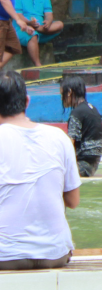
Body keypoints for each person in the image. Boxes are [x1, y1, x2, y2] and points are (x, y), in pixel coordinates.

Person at [0, 70, 80, 270]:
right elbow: (73, 201)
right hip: (55, 254)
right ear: (27, 101)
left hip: (4, 255)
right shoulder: (59, 137)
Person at [15, 0, 63, 67]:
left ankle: (38, 29)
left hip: (41, 29)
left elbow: (49, 14)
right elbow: (18, 15)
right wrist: (29, 23)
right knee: (32, 34)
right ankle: (38, 66)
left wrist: (48, 22)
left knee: (60, 24)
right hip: (23, 29)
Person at [61, 75, 102, 178]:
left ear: (70, 92)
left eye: (62, 94)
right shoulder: (92, 109)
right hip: (93, 165)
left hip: (81, 165)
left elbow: (70, 143)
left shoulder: (76, 113)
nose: (62, 99)